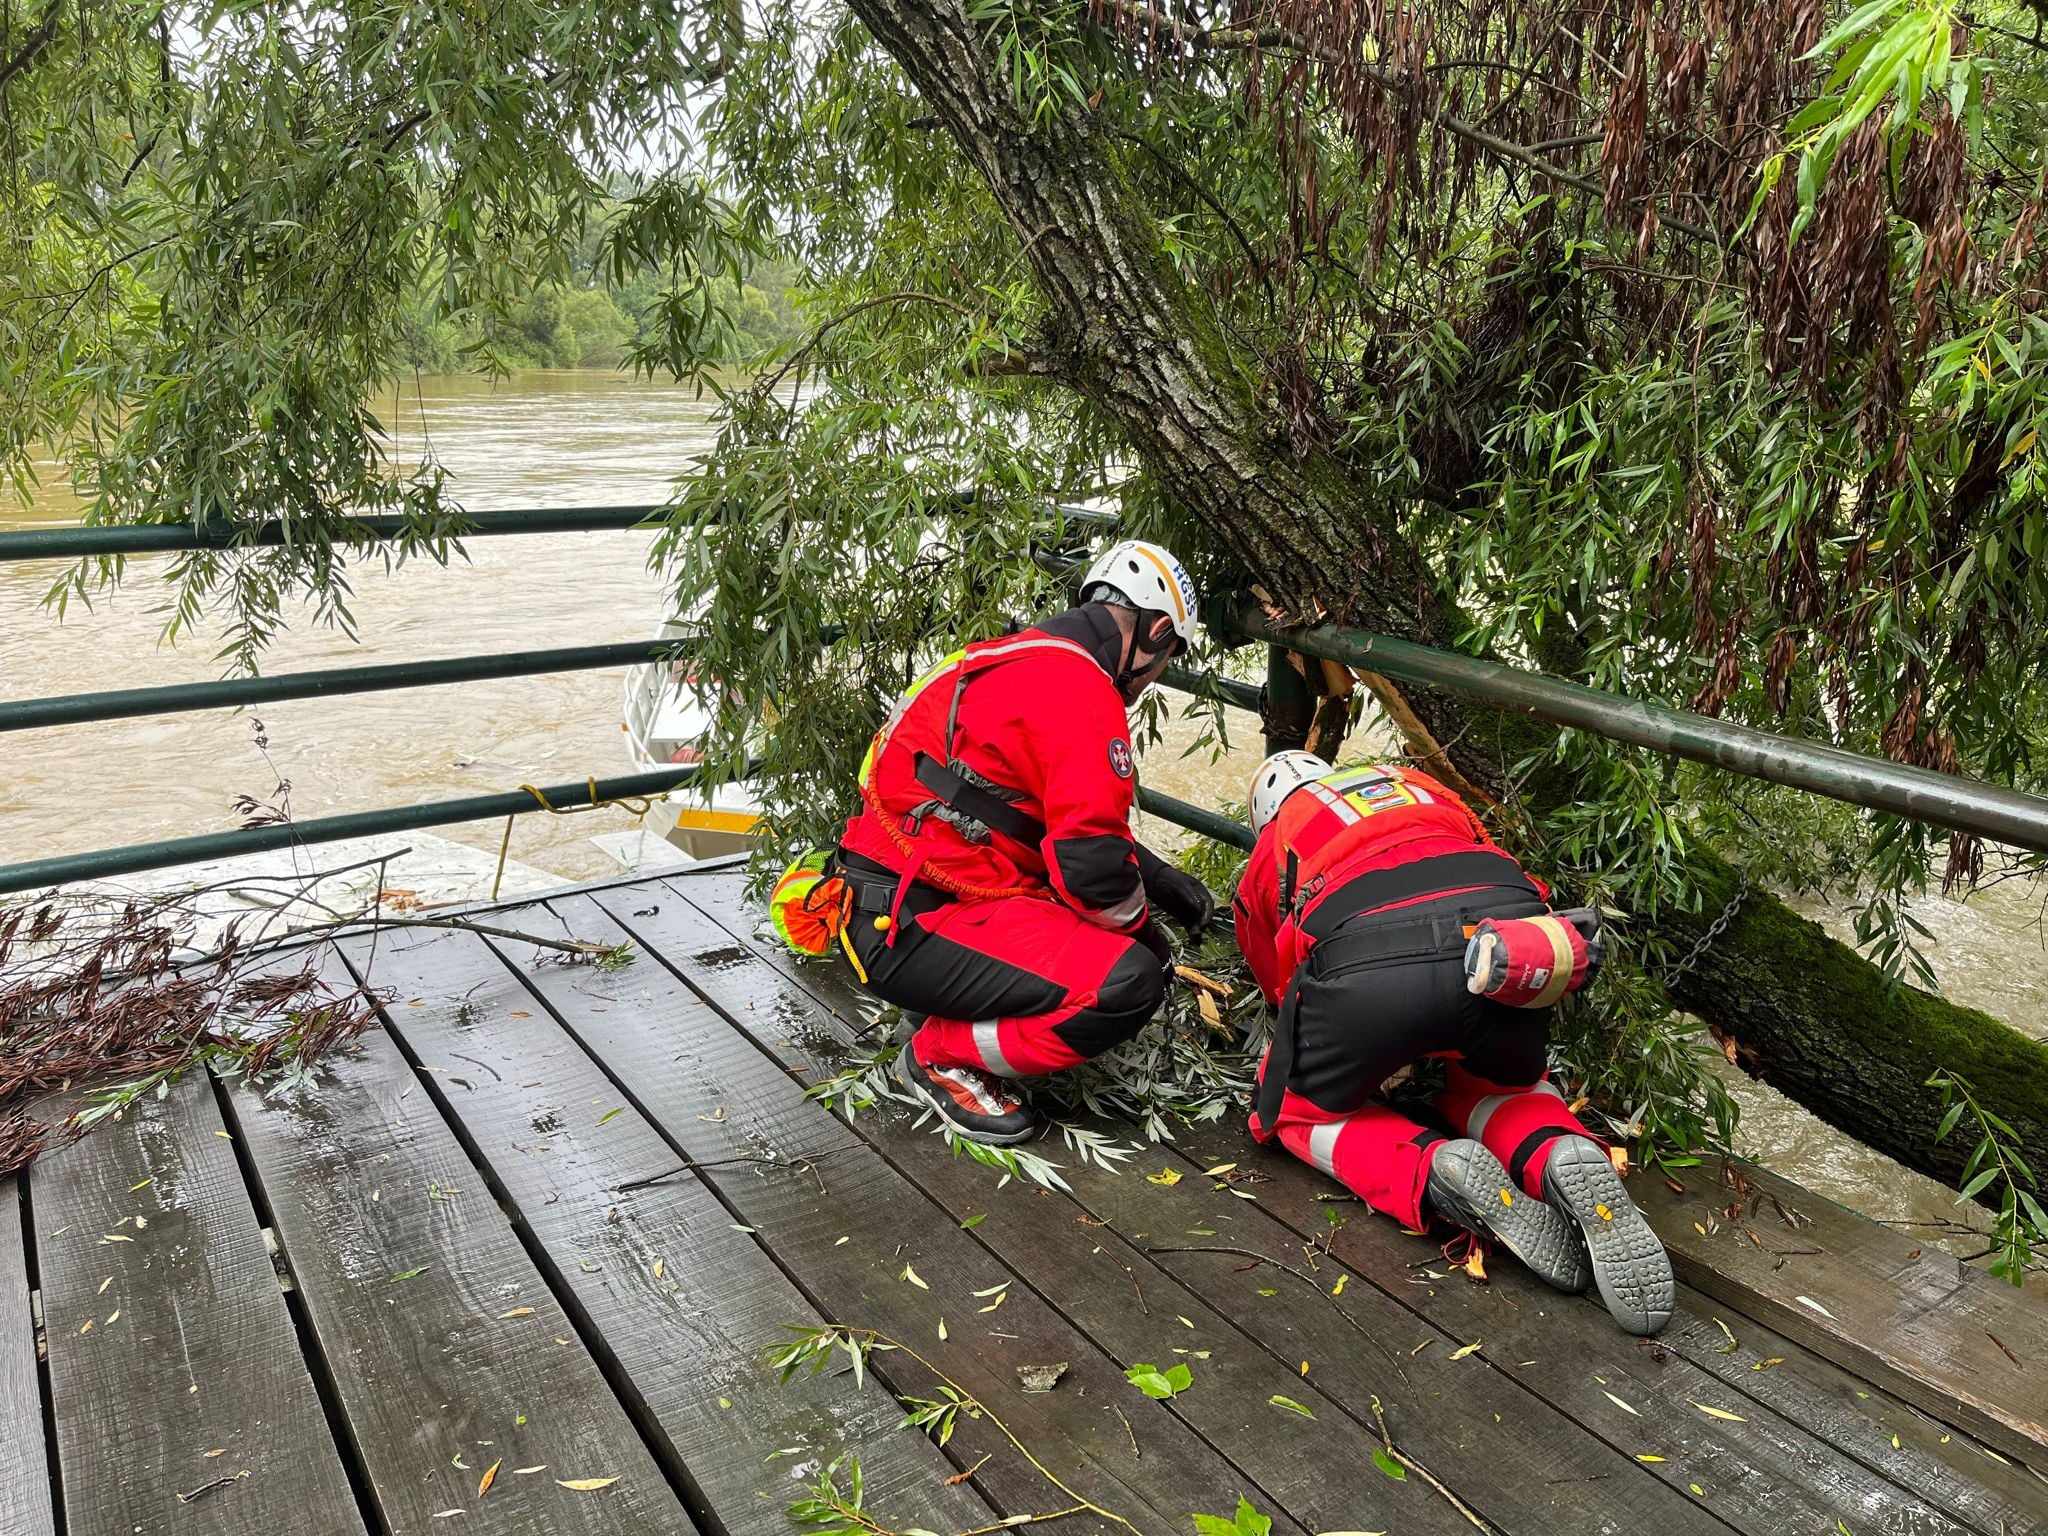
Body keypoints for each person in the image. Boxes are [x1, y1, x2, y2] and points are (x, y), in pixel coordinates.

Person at [1233, 750, 1675, 1335]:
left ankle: (1432, 1165)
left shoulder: (1275, 844)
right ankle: (1558, 1151)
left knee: (1288, 1110)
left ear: (1265, 816)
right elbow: (1502, 868)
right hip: (1500, 945)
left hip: (1371, 972)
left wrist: (1355, 1048)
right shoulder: (1416, 784)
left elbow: (1280, 989)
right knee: (1501, 1086)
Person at [828, 540, 1216, 1145]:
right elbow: (1089, 869)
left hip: (885, 905)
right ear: (1158, 632)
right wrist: (1144, 931)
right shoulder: (1084, 692)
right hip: (916, 927)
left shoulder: (1011, 656)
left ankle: (946, 1008)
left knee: (1093, 934)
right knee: (1127, 982)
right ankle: (940, 1054)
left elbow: (1028, 817)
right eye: (1170, 658)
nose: (1157, 678)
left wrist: (1160, 878)